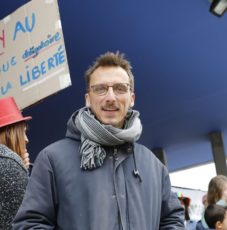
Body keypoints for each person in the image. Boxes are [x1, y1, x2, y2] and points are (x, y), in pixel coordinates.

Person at [13, 51, 185, 229]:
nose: (110, 97)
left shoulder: (154, 165)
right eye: (100, 89)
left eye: (120, 88)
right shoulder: (51, 159)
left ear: (131, 98)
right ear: (88, 99)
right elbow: (29, 224)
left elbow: (172, 220)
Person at [0, 96, 32, 230]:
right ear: (9, 133)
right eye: (22, 133)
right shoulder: (9, 165)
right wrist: (18, 170)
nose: (26, 140)